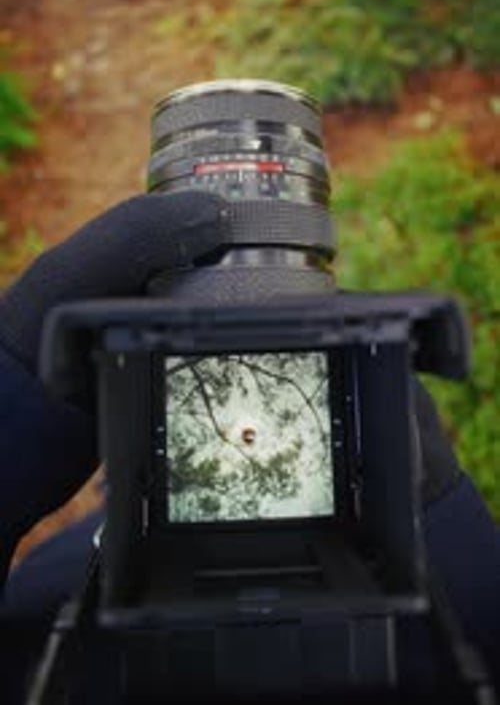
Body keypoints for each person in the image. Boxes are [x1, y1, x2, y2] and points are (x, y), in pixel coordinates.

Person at [0, 191, 498, 702]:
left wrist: (11, 417)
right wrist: (460, 565)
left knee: (141, 519)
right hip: (338, 577)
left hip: (90, 602)